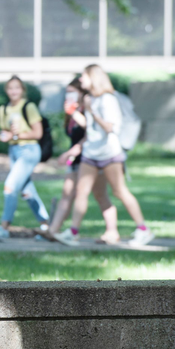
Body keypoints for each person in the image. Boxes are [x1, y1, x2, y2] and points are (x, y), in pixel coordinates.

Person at [54, 65, 154, 247]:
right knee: (82, 192)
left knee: (119, 191)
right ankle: (73, 232)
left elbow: (110, 127)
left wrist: (92, 111)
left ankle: (143, 230)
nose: (82, 79)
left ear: (93, 77)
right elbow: (90, 127)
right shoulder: (89, 98)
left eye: (84, 75)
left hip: (110, 153)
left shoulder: (108, 99)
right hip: (91, 153)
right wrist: (75, 113)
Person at [38, 77, 119, 244]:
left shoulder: (88, 109)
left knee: (100, 195)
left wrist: (71, 152)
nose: (69, 95)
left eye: (72, 92)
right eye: (67, 92)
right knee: (67, 193)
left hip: (92, 157)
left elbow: (91, 133)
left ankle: (111, 231)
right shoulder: (73, 112)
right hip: (77, 160)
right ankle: (54, 230)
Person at [0, 75, 50, 240]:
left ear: (22, 90)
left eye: (17, 87)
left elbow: (38, 133)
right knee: (27, 191)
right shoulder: (4, 109)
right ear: (6, 91)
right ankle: (47, 226)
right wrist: (2, 136)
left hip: (29, 151)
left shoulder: (29, 107)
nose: (13, 91)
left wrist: (16, 135)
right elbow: (5, 133)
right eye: (10, 88)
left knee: (10, 186)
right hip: (14, 151)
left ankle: (4, 228)